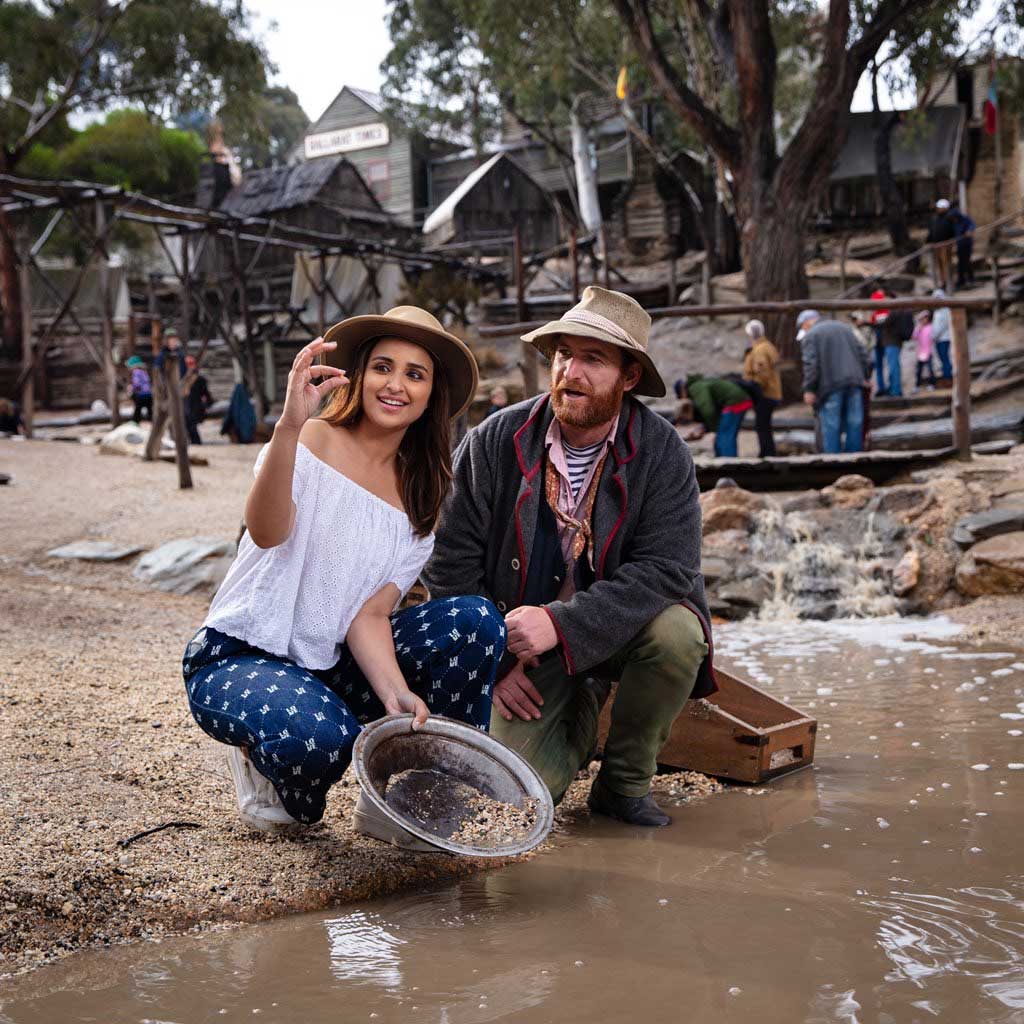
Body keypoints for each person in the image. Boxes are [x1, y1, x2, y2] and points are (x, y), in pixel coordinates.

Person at [181, 306, 506, 832]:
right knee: (317, 758)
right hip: (239, 656)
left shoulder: (422, 495)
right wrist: (289, 425)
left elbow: (369, 617)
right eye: (383, 366)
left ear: (430, 395)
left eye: (413, 373)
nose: (395, 384)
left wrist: (395, 694)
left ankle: (419, 800)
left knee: (476, 621)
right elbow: (266, 532)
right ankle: (258, 762)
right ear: (360, 375)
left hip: (333, 669)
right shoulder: (312, 437)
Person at [423, 286, 716, 828]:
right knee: (519, 798)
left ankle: (623, 783)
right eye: (563, 354)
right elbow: (450, 560)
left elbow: (668, 570)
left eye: (593, 359)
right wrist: (493, 662)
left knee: (680, 635)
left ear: (629, 378)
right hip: (518, 647)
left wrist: (561, 623)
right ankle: (578, 712)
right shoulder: (495, 439)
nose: (570, 372)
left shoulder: (663, 452)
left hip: (616, 633)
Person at [799, 310, 871, 454]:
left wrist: (809, 389)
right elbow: (864, 354)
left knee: (831, 424)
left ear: (806, 323)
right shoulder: (845, 328)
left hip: (830, 385)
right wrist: (865, 376)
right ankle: (854, 458)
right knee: (855, 422)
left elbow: (811, 365)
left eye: (801, 327)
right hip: (854, 381)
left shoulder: (811, 335)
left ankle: (833, 459)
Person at [676, 374, 752, 458]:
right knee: (726, 434)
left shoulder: (695, 387)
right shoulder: (700, 383)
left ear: (682, 391)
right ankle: (722, 458)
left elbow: (707, 409)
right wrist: (707, 428)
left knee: (724, 435)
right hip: (739, 400)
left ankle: (729, 461)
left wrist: (713, 429)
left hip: (734, 402)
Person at [741, 319, 781, 457]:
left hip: (765, 393)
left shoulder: (759, 350)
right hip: (772, 392)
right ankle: (768, 452)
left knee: (762, 426)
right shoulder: (767, 346)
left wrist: (755, 387)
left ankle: (767, 453)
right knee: (765, 425)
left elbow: (762, 371)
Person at [182, 355, 212, 444]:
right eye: (187, 364)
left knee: (192, 425)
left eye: (191, 364)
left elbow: (205, 393)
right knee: (186, 425)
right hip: (184, 404)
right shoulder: (182, 379)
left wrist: (208, 403)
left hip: (195, 405)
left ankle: (196, 443)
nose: (189, 366)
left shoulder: (199, 379)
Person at [928, 199, 956, 293]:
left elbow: (954, 231)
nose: (938, 209)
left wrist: (951, 240)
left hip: (946, 245)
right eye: (938, 207)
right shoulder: (934, 218)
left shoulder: (950, 218)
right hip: (936, 245)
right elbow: (931, 231)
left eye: (940, 208)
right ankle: (942, 282)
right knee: (939, 265)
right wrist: (929, 241)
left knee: (946, 264)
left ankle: (949, 284)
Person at [869, 289, 890, 394]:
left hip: (884, 342)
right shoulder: (877, 313)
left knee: (882, 365)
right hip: (880, 342)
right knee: (880, 366)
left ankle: (883, 387)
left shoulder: (883, 313)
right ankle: (882, 386)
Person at [951, 202, 976, 289]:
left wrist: (969, 231)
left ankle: (971, 279)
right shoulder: (955, 222)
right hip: (959, 244)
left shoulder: (965, 219)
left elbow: (972, 225)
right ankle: (961, 280)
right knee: (960, 262)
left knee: (967, 261)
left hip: (967, 244)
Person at [931, 289, 953, 382]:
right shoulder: (937, 311)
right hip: (938, 339)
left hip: (944, 338)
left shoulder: (945, 310)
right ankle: (946, 375)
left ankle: (948, 377)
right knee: (942, 358)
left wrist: (933, 336)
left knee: (945, 358)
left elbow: (942, 326)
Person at [912, 311, 936, 390]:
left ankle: (932, 384)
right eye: (922, 319)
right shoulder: (918, 328)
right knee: (919, 370)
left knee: (930, 369)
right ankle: (917, 385)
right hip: (920, 352)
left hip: (928, 351)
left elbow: (933, 337)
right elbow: (914, 337)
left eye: (926, 318)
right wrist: (919, 329)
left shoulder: (931, 327)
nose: (924, 320)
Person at [126, 356, 152, 424]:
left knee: (138, 409)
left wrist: (131, 387)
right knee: (150, 409)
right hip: (149, 394)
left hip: (141, 394)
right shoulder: (144, 371)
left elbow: (137, 384)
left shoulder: (136, 372)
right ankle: (152, 421)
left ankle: (135, 422)